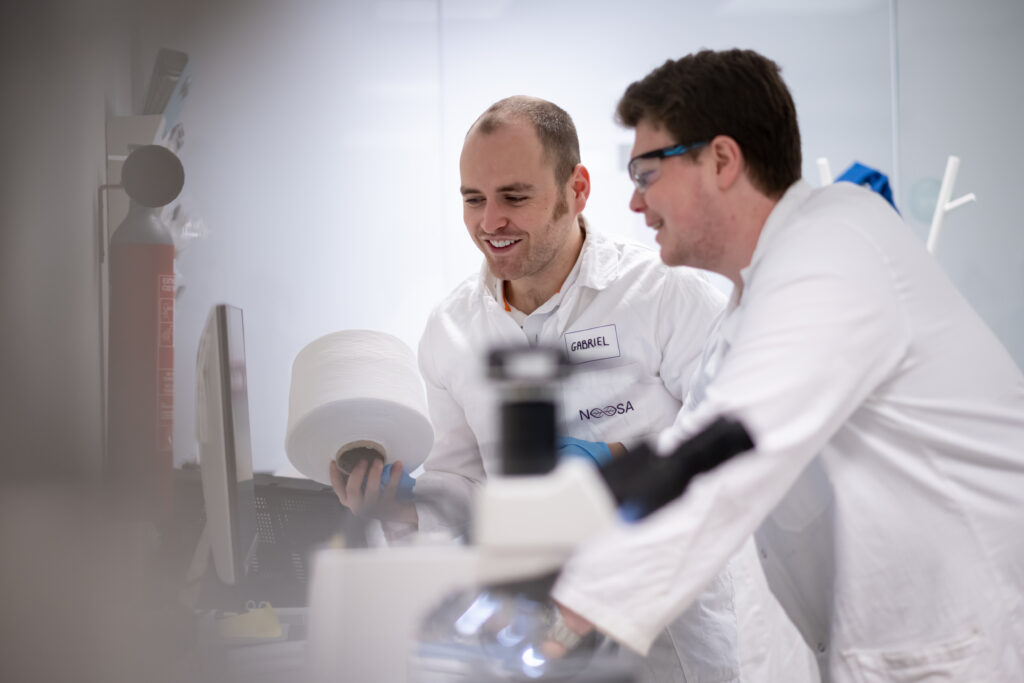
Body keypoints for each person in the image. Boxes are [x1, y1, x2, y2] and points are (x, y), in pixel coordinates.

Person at [547, 49, 1024, 681]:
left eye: (645, 173)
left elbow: (726, 459)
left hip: (971, 638)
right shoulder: (754, 296)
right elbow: (695, 450)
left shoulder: (833, 251)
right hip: (888, 642)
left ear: (721, 159)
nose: (635, 205)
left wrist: (562, 621)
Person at [331, 96, 819, 681]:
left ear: (577, 188)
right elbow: (461, 482)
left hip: (678, 639)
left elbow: (742, 432)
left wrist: (617, 463)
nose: (491, 222)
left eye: (515, 197)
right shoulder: (451, 328)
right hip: (539, 634)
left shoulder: (665, 294)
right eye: (473, 200)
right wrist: (402, 506)